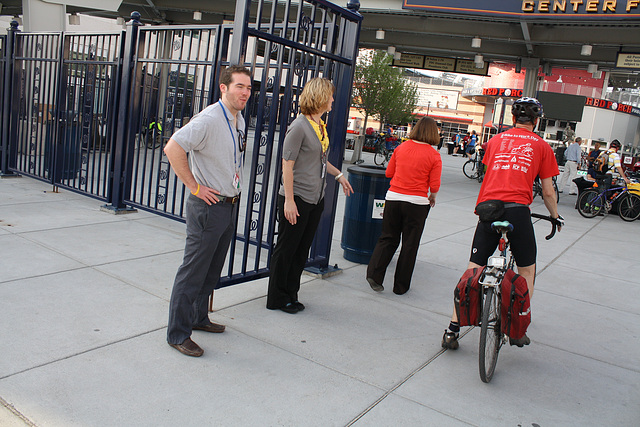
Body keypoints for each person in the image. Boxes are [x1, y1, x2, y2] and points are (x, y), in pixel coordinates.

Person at [441, 97, 563, 350]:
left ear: (512, 119)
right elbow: (549, 192)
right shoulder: (542, 147)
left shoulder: (495, 141)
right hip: (518, 213)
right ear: (537, 121)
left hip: (488, 210)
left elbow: (491, 173)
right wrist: (554, 216)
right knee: (526, 271)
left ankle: (452, 330)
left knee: (474, 268)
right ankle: (518, 328)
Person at [164, 65, 252, 357]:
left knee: (211, 269)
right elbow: (173, 147)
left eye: (249, 88)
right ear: (223, 88)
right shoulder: (210, 119)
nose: (245, 93)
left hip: (228, 204)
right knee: (193, 271)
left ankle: (199, 317)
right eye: (239, 86)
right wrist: (194, 186)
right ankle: (178, 333)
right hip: (208, 206)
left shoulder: (237, 120)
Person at [266, 77, 354, 314]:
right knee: (286, 250)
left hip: (315, 200)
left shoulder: (319, 126)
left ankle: (291, 295)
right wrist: (290, 201)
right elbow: (287, 165)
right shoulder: (299, 126)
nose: (333, 100)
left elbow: (321, 161)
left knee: (301, 250)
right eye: (331, 96)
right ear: (321, 97)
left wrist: (338, 176)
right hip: (297, 199)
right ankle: (277, 298)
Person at [366, 116, 442, 295]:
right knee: (410, 244)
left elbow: (389, 173)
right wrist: (432, 197)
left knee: (388, 238)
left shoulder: (400, 148)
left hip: (393, 198)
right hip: (417, 203)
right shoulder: (434, 155)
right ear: (433, 133)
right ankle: (400, 286)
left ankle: (374, 274)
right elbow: (435, 185)